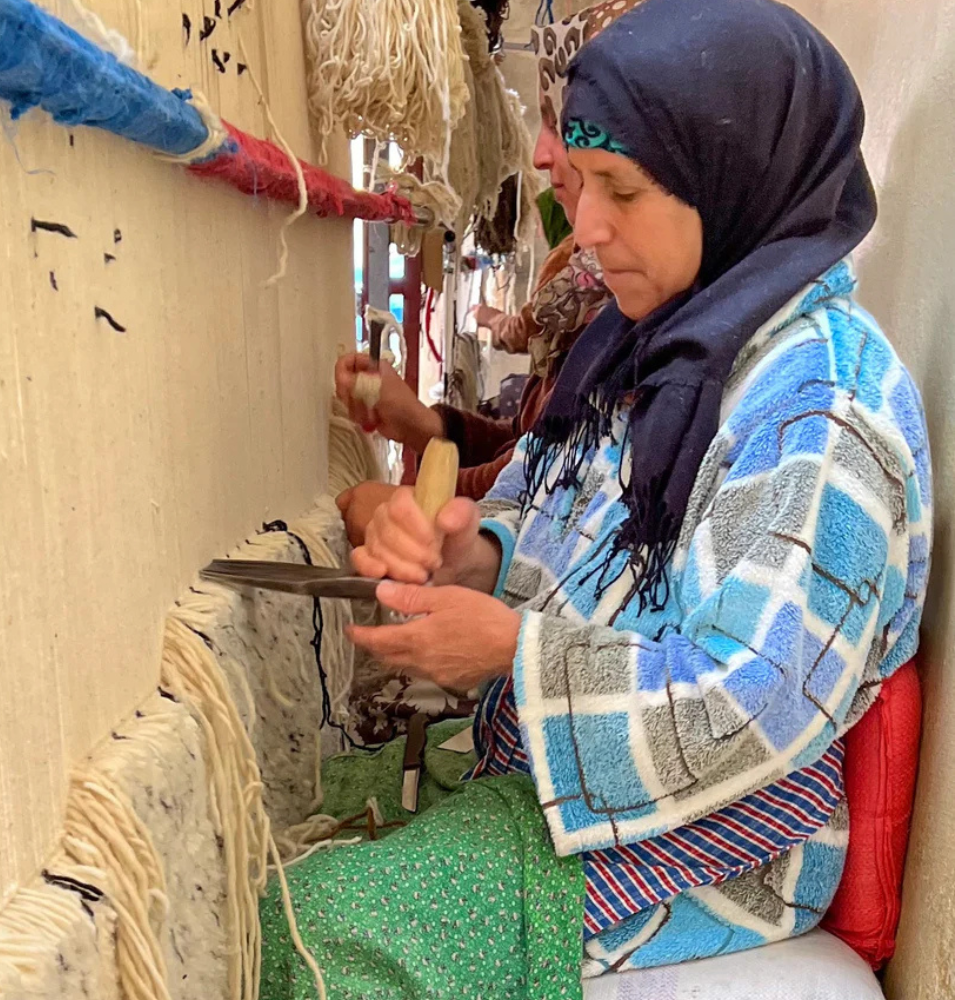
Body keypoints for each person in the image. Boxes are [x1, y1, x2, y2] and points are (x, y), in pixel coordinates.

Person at [259, 0, 931, 994]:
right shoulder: (649, 343)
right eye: (583, 184)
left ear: (732, 178)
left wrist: (507, 652)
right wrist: (466, 553)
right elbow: (543, 517)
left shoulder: (822, 414)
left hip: (721, 837)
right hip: (574, 771)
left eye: (619, 187)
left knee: (297, 932)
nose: (588, 225)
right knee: (294, 811)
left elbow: (745, 706)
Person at [333, 4, 628, 542]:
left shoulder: (636, 317)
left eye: (560, 125)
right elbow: (529, 446)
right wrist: (428, 427)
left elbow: (548, 495)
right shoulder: (582, 280)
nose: (540, 154)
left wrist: (422, 509)